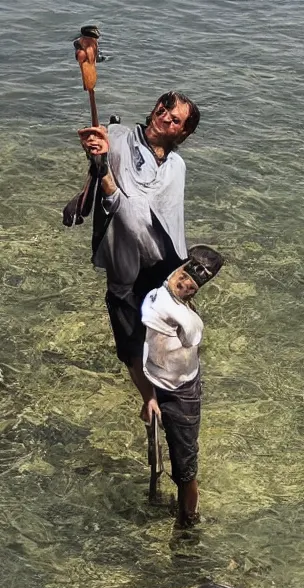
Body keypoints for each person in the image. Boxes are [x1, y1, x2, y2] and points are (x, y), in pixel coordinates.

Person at [76, 92, 200, 403]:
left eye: (175, 120)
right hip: (125, 259)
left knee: (168, 333)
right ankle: (149, 401)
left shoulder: (177, 167)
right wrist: (96, 156)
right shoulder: (118, 137)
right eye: (162, 110)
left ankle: (173, 382)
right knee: (131, 336)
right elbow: (102, 153)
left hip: (164, 264)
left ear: (183, 133)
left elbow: (167, 218)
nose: (165, 118)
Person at [140, 245, 224, 527]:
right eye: (186, 274)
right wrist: (148, 395)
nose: (186, 284)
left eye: (194, 286)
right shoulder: (159, 291)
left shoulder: (189, 320)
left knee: (185, 468)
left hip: (182, 393)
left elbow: (189, 337)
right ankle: (161, 499)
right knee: (155, 450)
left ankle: (189, 522)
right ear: (180, 266)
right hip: (157, 380)